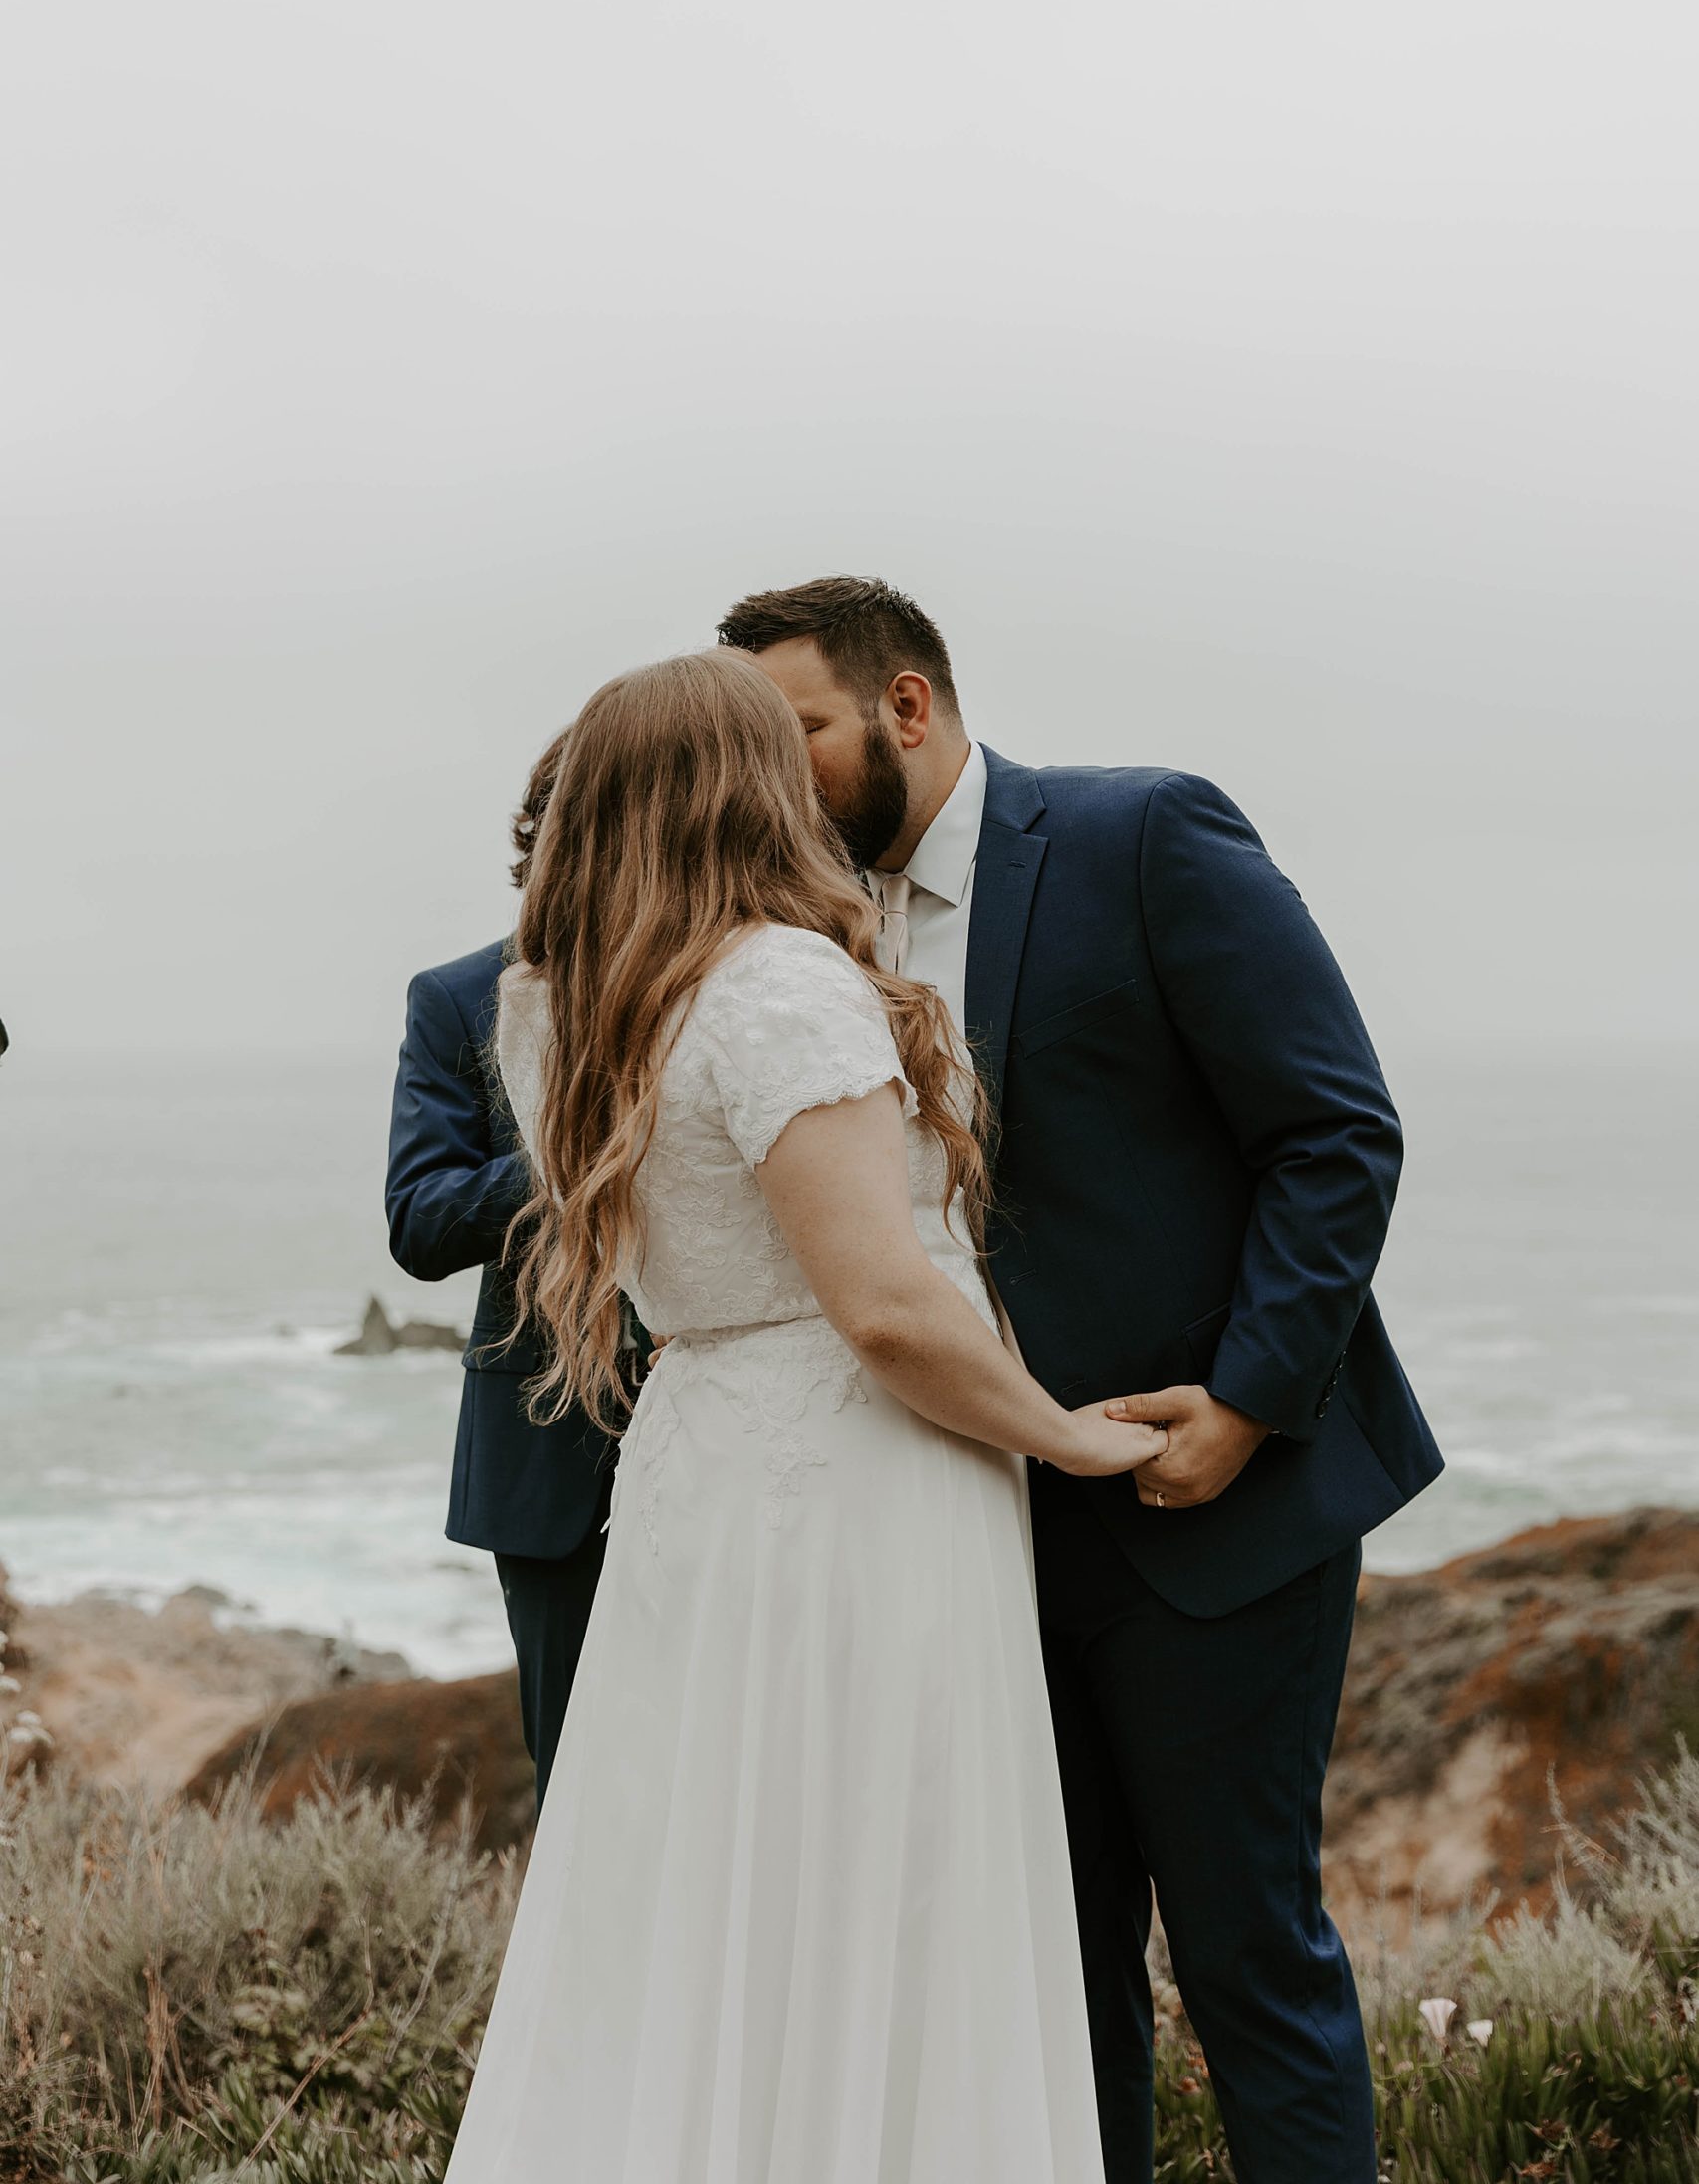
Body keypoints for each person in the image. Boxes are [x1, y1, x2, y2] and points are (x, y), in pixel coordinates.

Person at [717, 575, 1444, 2184]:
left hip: (1215, 1515)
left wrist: (1246, 1405)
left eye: (802, 737)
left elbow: (1335, 1133)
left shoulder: (1144, 837)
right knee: (1047, 1986)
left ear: (906, 704)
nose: (776, 783)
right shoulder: (803, 938)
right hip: (977, 1536)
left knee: (1251, 1966)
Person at [443, 649, 1160, 2184]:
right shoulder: (772, 983)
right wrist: (1074, 1436)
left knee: (703, 1896)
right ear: (742, 786)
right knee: (881, 1890)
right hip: (856, 1483)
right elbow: (889, 1309)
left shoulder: (560, 1008)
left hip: (699, 1475)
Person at [385, 734, 615, 1806]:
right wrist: (578, 1149)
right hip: (548, 1466)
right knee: (584, 1791)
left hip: (740, 1447)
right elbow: (421, 1221)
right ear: (548, 830)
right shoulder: (458, 996)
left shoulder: (737, 978)